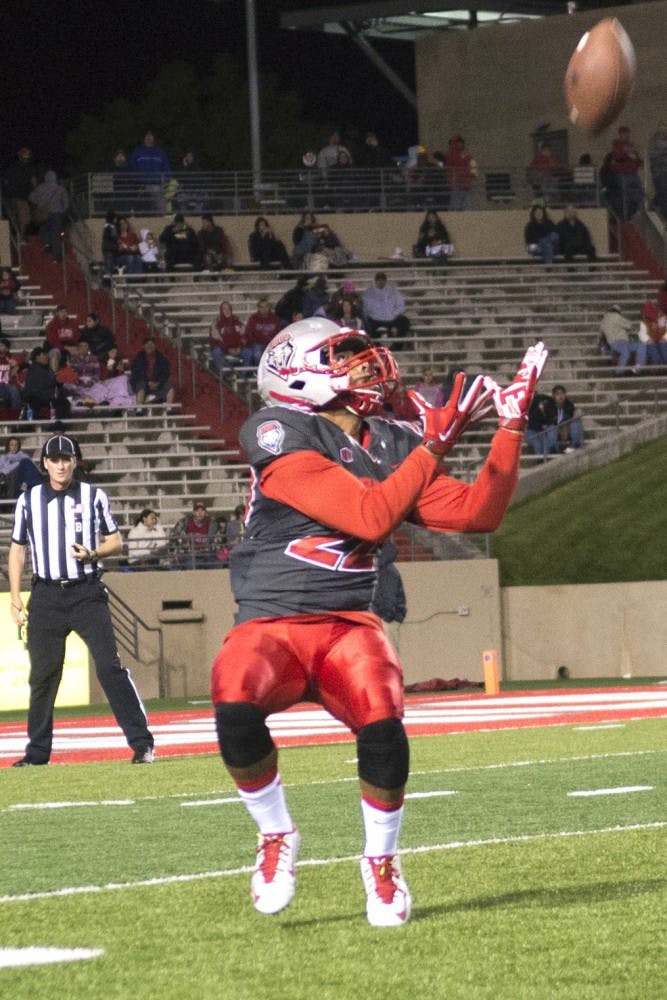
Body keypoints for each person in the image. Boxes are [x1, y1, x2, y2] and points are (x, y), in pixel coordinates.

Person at [210, 318, 547, 925]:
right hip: (274, 621)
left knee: (383, 715)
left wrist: (510, 429)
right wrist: (434, 447)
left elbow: (480, 513)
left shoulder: (391, 440)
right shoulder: (276, 430)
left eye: (365, 352)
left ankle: (381, 863)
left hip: (347, 621)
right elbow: (368, 517)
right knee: (234, 698)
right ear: (296, 371)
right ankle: (276, 834)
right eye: (344, 355)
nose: (366, 363)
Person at [8, 434, 154, 766]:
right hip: (45, 594)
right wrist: (16, 598)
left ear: (75, 462)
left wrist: (93, 553)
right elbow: (17, 550)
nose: (61, 465)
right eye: (54, 459)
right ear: (44, 464)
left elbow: (115, 542)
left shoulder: (93, 496)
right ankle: (37, 753)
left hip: (86, 592)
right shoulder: (27, 500)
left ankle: (142, 743)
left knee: (108, 667)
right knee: (43, 675)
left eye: (66, 459)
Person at [362, 272, 411, 351]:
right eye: (378, 280)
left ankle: (397, 346)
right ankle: (374, 346)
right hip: (374, 320)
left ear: (385, 281)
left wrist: (393, 314)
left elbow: (401, 306)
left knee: (404, 321)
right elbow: (365, 309)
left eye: (382, 280)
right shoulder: (368, 293)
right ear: (375, 281)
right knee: (365, 322)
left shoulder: (393, 291)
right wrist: (373, 314)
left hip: (391, 319)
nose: (381, 282)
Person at [28, 170, 69, 262]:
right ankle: (57, 255)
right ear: (55, 178)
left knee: (43, 229)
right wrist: (63, 210)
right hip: (56, 214)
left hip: (44, 213)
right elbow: (66, 202)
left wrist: (39, 202)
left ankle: (47, 244)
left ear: (46, 178)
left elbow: (31, 198)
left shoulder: (40, 188)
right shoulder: (61, 189)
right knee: (56, 233)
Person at [22, 345, 70, 419]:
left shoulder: (44, 368)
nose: (47, 357)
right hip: (36, 398)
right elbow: (43, 384)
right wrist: (57, 380)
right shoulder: (35, 369)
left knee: (64, 401)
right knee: (63, 403)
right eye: (44, 355)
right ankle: (58, 425)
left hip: (44, 396)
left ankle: (59, 424)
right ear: (37, 357)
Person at [130, 336, 175, 412]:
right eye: (148, 344)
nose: (150, 346)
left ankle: (168, 408)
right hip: (143, 381)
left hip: (157, 382)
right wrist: (148, 382)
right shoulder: (139, 358)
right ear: (143, 346)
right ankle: (139, 409)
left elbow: (165, 373)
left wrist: (158, 382)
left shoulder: (161, 358)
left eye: (152, 344)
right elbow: (137, 372)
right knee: (141, 386)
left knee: (170, 388)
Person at [610, 126, 644, 220]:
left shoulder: (631, 145)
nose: (628, 136)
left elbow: (636, 157)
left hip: (633, 172)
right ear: (621, 134)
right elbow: (617, 156)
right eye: (626, 134)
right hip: (623, 173)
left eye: (628, 133)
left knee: (639, 191)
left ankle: (639, 211)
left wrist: (638, 161)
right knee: (626, 195)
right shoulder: (616, 145)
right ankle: (625, 218)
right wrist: (628, 156)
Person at [3, 147, 37, 240]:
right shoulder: (24, 168)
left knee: (20, 217)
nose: (26, 159)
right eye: (25, 157)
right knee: (25, 217)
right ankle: (20, 237)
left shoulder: (16, 168)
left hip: (15, 197)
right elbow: (33, 182)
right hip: (18, 198)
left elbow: (5, 182)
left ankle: (18, 235)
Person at [242, 299, 282, 368]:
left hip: (272, 343)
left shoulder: (275, 318)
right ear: (258, 308)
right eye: (261, 307)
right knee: (257, 355)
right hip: (258, 343)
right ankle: (260, 372)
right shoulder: (253, 318)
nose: (264, 309)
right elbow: (249, 333)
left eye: (266, 306)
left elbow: (279, 332)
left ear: (269, 307)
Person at [599, 304, 637, 375]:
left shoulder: (604, 320)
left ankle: (619, 369)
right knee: (630, 351)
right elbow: (629, 325)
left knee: (618, 354)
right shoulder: (618, 317)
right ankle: (623, 371)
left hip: (611, 342)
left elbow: (601, 332)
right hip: (621, 340)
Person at [209, 301, 245, 377]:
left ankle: (243, 376)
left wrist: (239, 347)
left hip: (237, 348)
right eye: (224, 309)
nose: (227, 311)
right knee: (216, 351)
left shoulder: (238, 320)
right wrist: (228, 349)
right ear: (221, 311)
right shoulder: (216, 322)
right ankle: (223, 377)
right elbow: (215, 339)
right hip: (223, 349)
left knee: (249, 352)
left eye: (228, 308)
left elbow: (244, 335)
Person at [544, 385, 583, 453]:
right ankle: (555, 450)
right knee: (551, 429)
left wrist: (564, 424)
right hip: (554, 428)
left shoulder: (569, 404)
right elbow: (550, 419)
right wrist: (561, 423)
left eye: (562, 393)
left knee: (575, 424)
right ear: (553, 396)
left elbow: (569, 417)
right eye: (558, 394)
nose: (560, 396)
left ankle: (573, 446)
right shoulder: (548, 405)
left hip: (567, 428)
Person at [44, 304, 80, 371]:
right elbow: (52, 341)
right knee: (55, 353)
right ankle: (54, 376)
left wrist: (75, 347)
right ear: (57, 313)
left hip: (71, 346)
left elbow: (77, 336)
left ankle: (76, 375)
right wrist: (65, 347)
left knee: (78, 352)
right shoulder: (51, 325)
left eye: (65, 311)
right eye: (61, 312)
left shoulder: (73, 323)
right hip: (55, 347)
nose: (64, 314)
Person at [181, 500, 216, 567]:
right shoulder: (186, 521)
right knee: (188, 564)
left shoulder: (211, 522)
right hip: (190, 554)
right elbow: (177, 536)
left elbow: (211, 539)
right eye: (197, 511)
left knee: (214, 564)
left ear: (205, 512)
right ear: (193, 512)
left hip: (206, 554)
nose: (200, 513)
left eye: (202, 511)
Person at [445, 133, 475, 211]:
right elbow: (457, 162)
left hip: (465, 186)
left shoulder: (465, 155)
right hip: (456, 186)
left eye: (461, 142)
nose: (461, 144)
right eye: (458, 142)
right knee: (456, 208)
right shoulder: (451, 155)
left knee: (466, 207)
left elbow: (472, 167)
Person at [637, 299, 667, 369]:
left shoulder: (662, 318)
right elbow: (642, 333)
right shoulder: (644, 322)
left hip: (663, 342)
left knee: (663, 349)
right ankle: (657, 367)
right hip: (652, 342)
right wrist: (648, 340)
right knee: (653, 350)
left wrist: (664, 338)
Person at [648, 123, 667, 218]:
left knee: (662, 192)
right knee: (662, 192)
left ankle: (654, 205)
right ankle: (663, 213)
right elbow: (658, 152)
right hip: (659, 172)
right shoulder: (656, 140)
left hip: (663, 171)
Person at [0, 337, 24, 410]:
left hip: (7, 387)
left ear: (7, 349)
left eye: (1, 345)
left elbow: (25, 361)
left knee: (13, 389)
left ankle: (16, 414)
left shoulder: (12, 358)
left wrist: (17, 366)